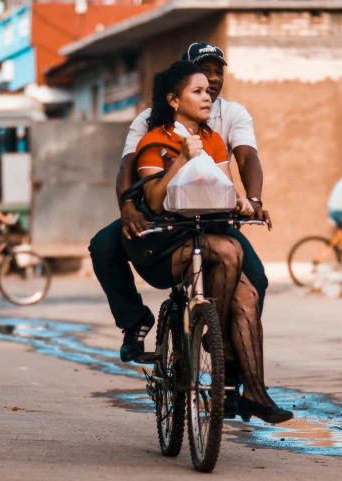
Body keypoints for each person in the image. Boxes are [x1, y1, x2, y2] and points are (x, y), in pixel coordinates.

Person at [89, 43, 270, 415]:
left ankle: (227, 361)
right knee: (104, 245)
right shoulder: (150, 122)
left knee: (255, 281)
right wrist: (127, 206)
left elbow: (246, 157)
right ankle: (135, 322)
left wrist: (251, 199)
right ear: (178, 87)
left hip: (209, 216)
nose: (213, 80)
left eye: (217, 71)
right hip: (163, 215)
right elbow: (128, 166)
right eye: (203, 74)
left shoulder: (228, 117)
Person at [122, 61, 291, 424]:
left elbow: (221, 187)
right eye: (197, 91)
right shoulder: (155, 139)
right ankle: (215, 337)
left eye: (209, 91)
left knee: (248, 298)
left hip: (206, 230)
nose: (207, 95)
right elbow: (152, 201)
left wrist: (245, 203)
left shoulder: (214, 138)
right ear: (173, 99)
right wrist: (181, 157)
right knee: (230, 250)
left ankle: (255, 395)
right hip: (167, 238)